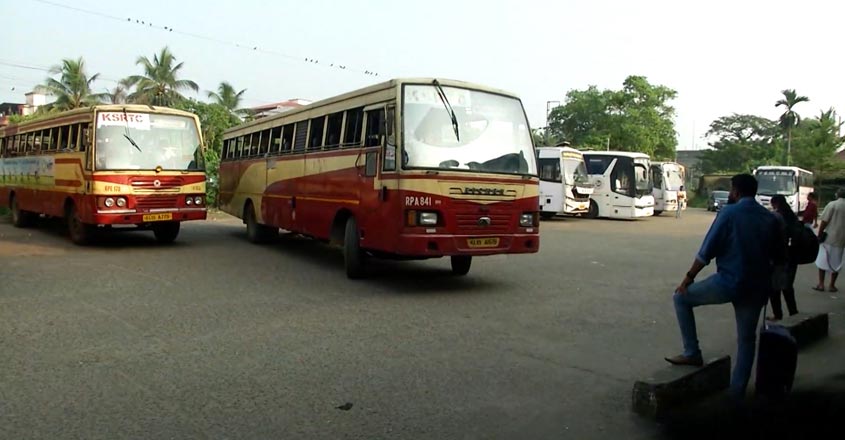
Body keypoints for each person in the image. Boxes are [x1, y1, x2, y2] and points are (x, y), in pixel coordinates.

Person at [665, 174, 785, 398]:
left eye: (731, 190)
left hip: (729, 281)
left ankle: (692, 352)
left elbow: (706, 251)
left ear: (736, 191)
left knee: (681, 299)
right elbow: (779, 257)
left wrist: (687, 280)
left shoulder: (729, 213)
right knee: (747, 340)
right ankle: (737, 393)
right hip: (757, 287)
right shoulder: (769, 218)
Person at [769, 195, 799, 320]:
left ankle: (778, 314)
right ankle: (793, 313)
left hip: (780, 257)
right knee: (787, 287)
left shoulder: (777, 217)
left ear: (775, 204)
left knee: (774, 288)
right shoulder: (792, 217)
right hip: (793, 255)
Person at [814, 188, 845, 292]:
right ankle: (832, 285)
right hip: (841, 239)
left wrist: (819, 234)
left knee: (822, 261)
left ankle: (821, 284)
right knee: (837, 263)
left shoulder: (832, 205)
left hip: (828, 238)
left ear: (837, 195)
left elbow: (824, 221)